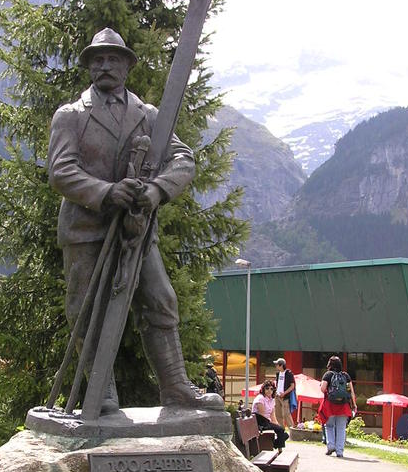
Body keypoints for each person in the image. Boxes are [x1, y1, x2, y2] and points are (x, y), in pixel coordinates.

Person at [48, 28, 224, 415]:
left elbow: (183, 159)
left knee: (161, 300)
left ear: (127, 66)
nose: (105, 66)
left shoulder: (149, 117)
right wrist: (106, 192)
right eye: (97, 60)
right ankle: (100, 393)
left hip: (137, 231)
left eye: (113, 59)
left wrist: (158, 190)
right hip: (86, 230)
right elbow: (61, 171)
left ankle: (176, 389)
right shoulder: (71, 116)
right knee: (87, 310)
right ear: (89, 67)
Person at [318, 355, 356, 458]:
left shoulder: (328, 375)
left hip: (330, 405)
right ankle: (340, 451)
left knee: (329, 426)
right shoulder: (345, 375)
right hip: (344, 406)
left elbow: (323, 389)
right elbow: (351, 391)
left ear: (329, 365)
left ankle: (331, 446)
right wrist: (354, 404)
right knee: (341, 428)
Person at [252, 381, 288, 449]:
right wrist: (273, 425)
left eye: (271, 389)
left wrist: (276, 424)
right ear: (263, 389)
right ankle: (277, 447)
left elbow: (272, 415)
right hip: (260, 423)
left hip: (267, 422)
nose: (269, 390)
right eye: (267, 388)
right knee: (281, 431)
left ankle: (275, 445)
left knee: (283, 432)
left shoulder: (272, 400)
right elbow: (262, 414)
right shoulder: (260, 398)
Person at [273, 357, 297, 427]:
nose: (276, 366)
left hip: (285, 397)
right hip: (277, 396)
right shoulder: (278, 374)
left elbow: (292, 386)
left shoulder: (289, 374)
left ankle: (291, 429)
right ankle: (281, 429)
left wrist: (284, 393)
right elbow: (277, 384)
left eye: (277, 364)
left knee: (286, 414)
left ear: (281, 365)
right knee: (278, 414)